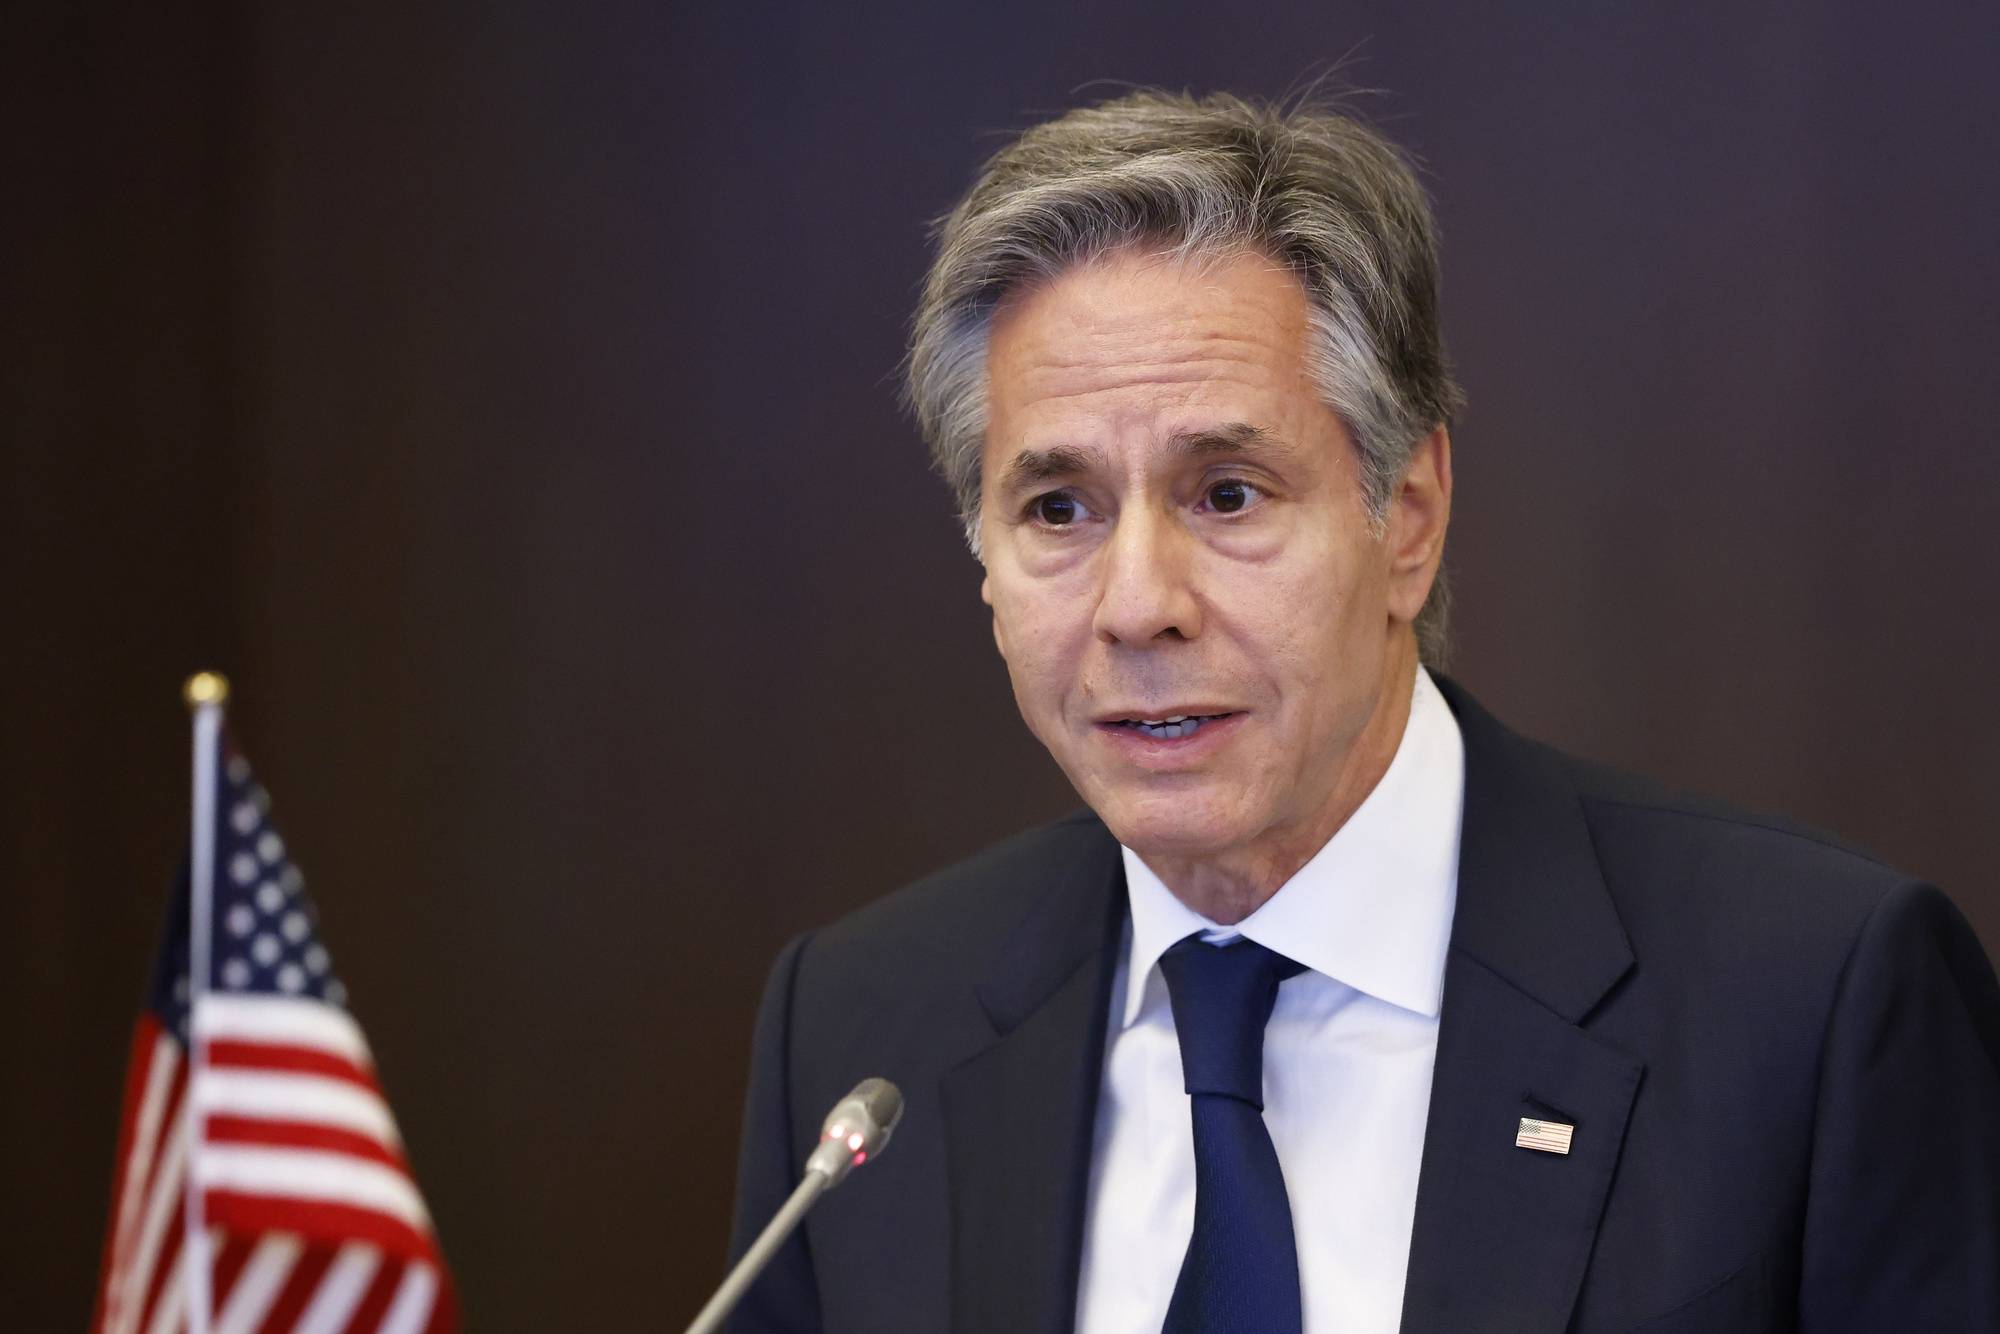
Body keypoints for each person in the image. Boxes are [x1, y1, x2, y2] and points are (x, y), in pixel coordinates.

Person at [723, 90, 2000, 1334]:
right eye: (1057, 509)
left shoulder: (1812, 1000)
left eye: (1226, 492)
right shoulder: (860, 1030)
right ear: (982, 555)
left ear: (1410, 516)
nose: (1136, 606)